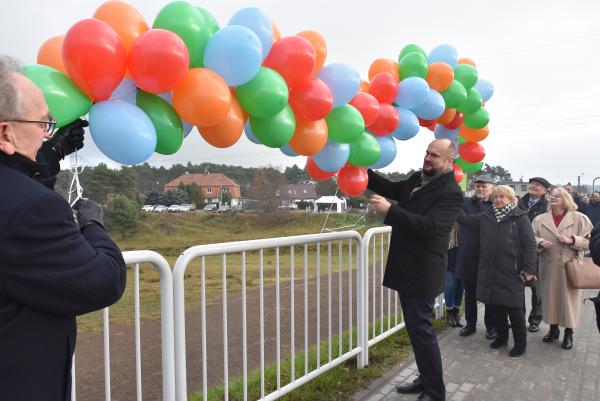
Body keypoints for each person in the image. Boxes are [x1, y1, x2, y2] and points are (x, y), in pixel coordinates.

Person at [0, 55, 127, 401]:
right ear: (5, 132)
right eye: (43, 124)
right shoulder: (33, 210)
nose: (46, 133)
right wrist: (93, 225)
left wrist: (52, 152)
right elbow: (104, 279)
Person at [368, 138, 463, 401]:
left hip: (423, 271)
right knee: (415, 330)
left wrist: (391, 211)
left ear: (449, 161)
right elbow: (386, 186)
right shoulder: (416, 179)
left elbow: (430, 228)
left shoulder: (451, 193)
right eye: (427, 152)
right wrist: (359, 169)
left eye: (435, 155)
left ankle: (435, 391)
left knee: (422, 331)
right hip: (406, 267)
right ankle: (426, 379)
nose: (428, 158)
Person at [457, 185, 538, 357]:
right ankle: (502, 338)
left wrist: (529, 269)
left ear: (511, 199)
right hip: (490, 270)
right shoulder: (487, 216)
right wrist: (450, 203)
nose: (499, 200)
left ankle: (520, 344)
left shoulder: (520, 217)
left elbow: (530, 245)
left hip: (512, 271)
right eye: (496, 197)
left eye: (503, 196)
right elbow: (465, 220)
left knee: (515, 311)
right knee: (496, 308)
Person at [532, 187, 593, 350]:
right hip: (548, 265)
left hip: (570, 266)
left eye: (557, 196)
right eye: (551, 195)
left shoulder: (580, 218)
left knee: (569, 301)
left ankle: (568, 332)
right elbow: (531, 237)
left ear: (566, 198)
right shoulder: (539, 219)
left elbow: (591, 241)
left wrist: (572, 240)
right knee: (550, 298)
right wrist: (539, 242)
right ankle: (553, 330)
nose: (552, 197)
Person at [455, 174, 496, 339]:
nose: (480, 188)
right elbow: (462, 219)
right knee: (470, 294)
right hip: (469, 254)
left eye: (484, 186)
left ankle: (491, 326)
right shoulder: (465, 203)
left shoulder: (496, 204)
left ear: (491, 188)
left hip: (489, 256)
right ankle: (470, 324)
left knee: (489, 294)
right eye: (478, 185)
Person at [517, 176, 550, 332]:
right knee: (517, 286)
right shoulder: (518, 203)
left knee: (537, 288)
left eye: (538, 185)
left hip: (538, 252)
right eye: (532, 184)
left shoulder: (548, 207)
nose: (534, 186)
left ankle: (535, 319)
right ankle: (518, 317)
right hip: (517, 250)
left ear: (544, 190)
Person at [445, 223, 463, 327]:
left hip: (463, 251)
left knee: (461, 286)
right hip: (449, 252)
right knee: (450, 285)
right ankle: (449, 312)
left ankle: (456, 312)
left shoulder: (465, 211)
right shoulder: (447, 212)